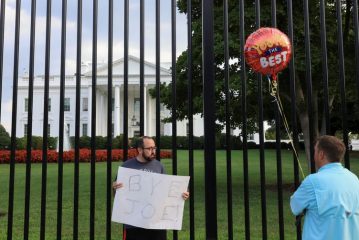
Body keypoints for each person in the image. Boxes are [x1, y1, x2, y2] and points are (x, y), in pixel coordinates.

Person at [113, 136, 190, 240]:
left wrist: (181, 196)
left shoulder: (159, 166)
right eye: (149, 149)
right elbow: (118, 195)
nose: (153, 151)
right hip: (134, 224)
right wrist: (115, 188)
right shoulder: (126, 167)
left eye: (154, 148)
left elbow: (165, 192)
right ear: (139, 150)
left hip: (156, 224)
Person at [290, 135, 359, 240]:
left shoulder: (312, 181)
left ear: (321, 154)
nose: (314, 155)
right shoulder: (354, 179)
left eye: (315, 151)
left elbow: (295, 206)